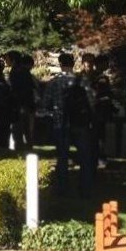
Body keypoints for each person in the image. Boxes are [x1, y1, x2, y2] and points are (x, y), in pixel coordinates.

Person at [42, 53, 95, 197]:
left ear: (60, 63)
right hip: (80, 123)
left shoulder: (54, 82)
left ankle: (62, 188)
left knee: (62, 156)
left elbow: (45, 104)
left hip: (61, 122)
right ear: (73, 63)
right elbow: (91, 101)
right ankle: (85, 188)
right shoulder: (82, 80)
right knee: (85, 157)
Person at [8, 51, 36, 151]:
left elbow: (18, 89)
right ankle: (27, 149)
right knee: (26, 130)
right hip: (24, 104)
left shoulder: (16, 71)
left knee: (19, 130)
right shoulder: (23, 71)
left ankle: (20, 150)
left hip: (20, 104)